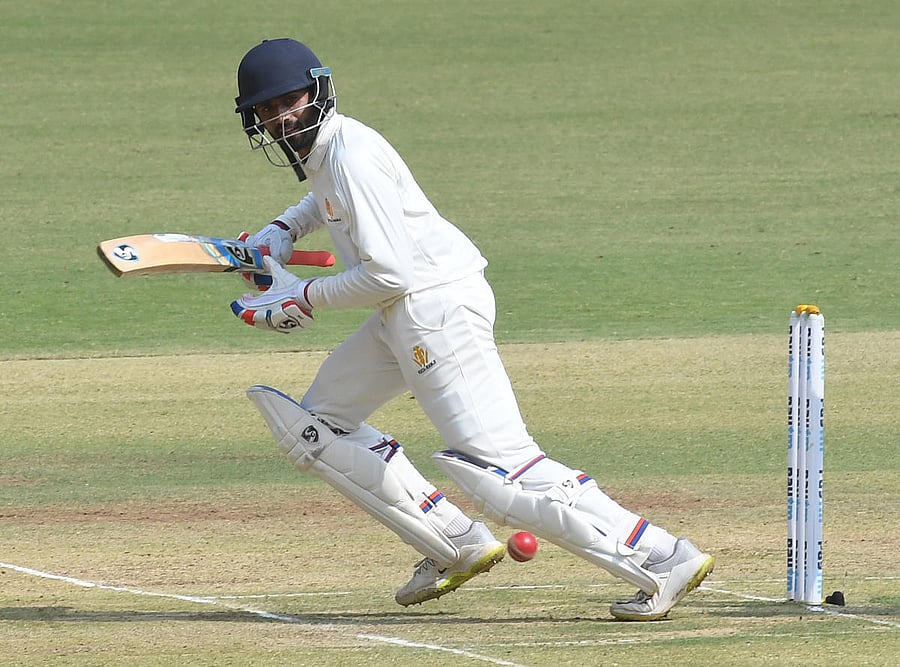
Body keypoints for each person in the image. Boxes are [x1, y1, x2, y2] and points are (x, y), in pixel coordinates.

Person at [229, 38, 714, 620]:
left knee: (500, 472)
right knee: (317, 426)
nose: (282, 116)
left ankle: (661, 555)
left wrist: (300, 295)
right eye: (267, 109)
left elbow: (388, 273)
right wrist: (283, 228)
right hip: (406, 313)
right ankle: (453, 543)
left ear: (318, 89)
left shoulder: (351, 154)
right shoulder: (335, 149)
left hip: (434, 310)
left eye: (292, 100)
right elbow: (327, 200)